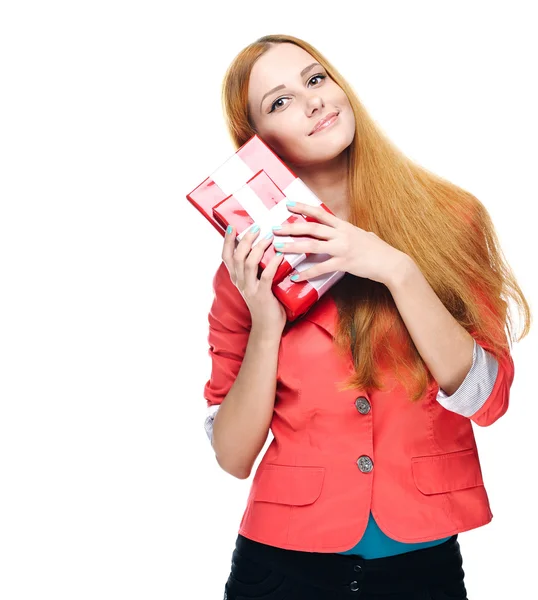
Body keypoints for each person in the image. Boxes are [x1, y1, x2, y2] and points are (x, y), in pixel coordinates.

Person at [202, 34, 531, 600]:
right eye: (279, 102)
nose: (311, 102)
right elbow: (232, 456)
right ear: (257, 145)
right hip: (281, 566)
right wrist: (266, 321)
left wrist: (397, 270)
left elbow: (488, 400)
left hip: (421, 565)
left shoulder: (452, 218)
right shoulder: (248, 263)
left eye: (315, 79)